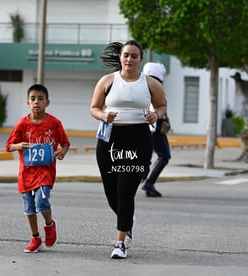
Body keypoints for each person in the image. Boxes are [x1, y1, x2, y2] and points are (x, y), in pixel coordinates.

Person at [90, 40, 167, 259]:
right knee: (111, 193)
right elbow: (94, 107)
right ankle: (127, 222)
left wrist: (156, 114)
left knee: (126, 191)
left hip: (138, 139)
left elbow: (162, 106)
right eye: (126, 55)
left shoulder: (150, 83)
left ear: (140, 59)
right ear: (120, 57)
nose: (129, 59)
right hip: (110, 139)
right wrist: (104, 115)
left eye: (134, 56)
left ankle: (120, 243)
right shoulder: (107, 81)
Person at [5, 84, 71, 253]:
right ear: (28, 102)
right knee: (29, 208)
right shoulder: (22, 124)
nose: (36, 102)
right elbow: (8, 146)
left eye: (40, 99)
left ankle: (49, 225)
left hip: (45, 172)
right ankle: (35, 237)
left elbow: (65, 143)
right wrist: (19, 145)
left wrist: (62, 152)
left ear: (47, 102)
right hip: (26, 173)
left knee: (41, 202)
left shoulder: (54, 123)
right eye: (33, 99)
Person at [141, 62, 171, 197]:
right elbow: (152, 109)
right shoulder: (155, 87)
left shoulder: (143, 86)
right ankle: (149, 182)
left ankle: (147, 182)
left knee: (147, 157)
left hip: (148, 128)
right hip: (154, 128)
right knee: (164, 156)